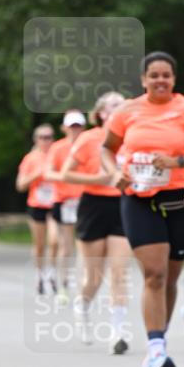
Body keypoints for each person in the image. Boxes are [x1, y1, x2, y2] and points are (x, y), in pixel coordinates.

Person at [101, 52, 184, 367]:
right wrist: (114, 173)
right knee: (155, 275)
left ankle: (159, 340)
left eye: (166, 75)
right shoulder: (127, 111)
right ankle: (156, 349)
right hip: (139, 199)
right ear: (143, 79)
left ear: (174, 79)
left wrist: (177, 162)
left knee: (171, 278)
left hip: (180, 201)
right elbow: (106, 149)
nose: (160, 80)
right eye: (154, 75)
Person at [61, 92, 132, 353]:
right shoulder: (88, 138)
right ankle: (82, 305)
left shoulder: (131, 137)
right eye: (113, 106)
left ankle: (117, 332)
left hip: (123, 204)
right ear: (101, 113)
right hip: (93, 205)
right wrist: (98, 180)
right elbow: (66, 174)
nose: (118, 109)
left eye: (122, 105)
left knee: (119, 272)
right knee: (94, 274)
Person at [45, 110, 87, 303]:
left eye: (78, 126)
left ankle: (81, 288)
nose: (75, 130)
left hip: (85, 200)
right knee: (65, 246)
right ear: (64, 128)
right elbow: (48, 173)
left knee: (83, 246)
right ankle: (63, 286)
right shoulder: (57, 148)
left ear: (83, 127)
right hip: (64, 202)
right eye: (72, 126)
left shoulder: (89, 145)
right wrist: (66, 176)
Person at [15, 123, 59, 294]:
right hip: (37, 205)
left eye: (49, 137)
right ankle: (39, 275)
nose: (46, 140)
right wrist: (37, 173)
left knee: (54, 241)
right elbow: (20, 185)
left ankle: (52, 272)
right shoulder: (30, 158)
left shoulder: (58, 155)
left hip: (55, 204)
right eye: (42, 137)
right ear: (36, 139)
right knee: (39, 244)